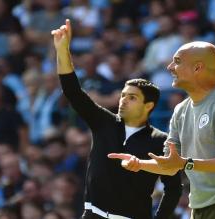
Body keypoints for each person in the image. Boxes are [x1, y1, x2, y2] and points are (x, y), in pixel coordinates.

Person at [109, 41, 215, 219]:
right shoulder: (181, 109)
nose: (170, 66)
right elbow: (170, 165)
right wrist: (138, 164)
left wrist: (186, 163)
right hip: (201, 206)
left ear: (198, 68)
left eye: (177, 61)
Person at [51, 19, 182, 219]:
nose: (123, 101)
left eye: (132, 98)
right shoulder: (104, 121)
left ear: (149, 106)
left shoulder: (161, 141)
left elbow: (173, 189)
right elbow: (73, 92)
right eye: (122, 95)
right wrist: (62, 50)